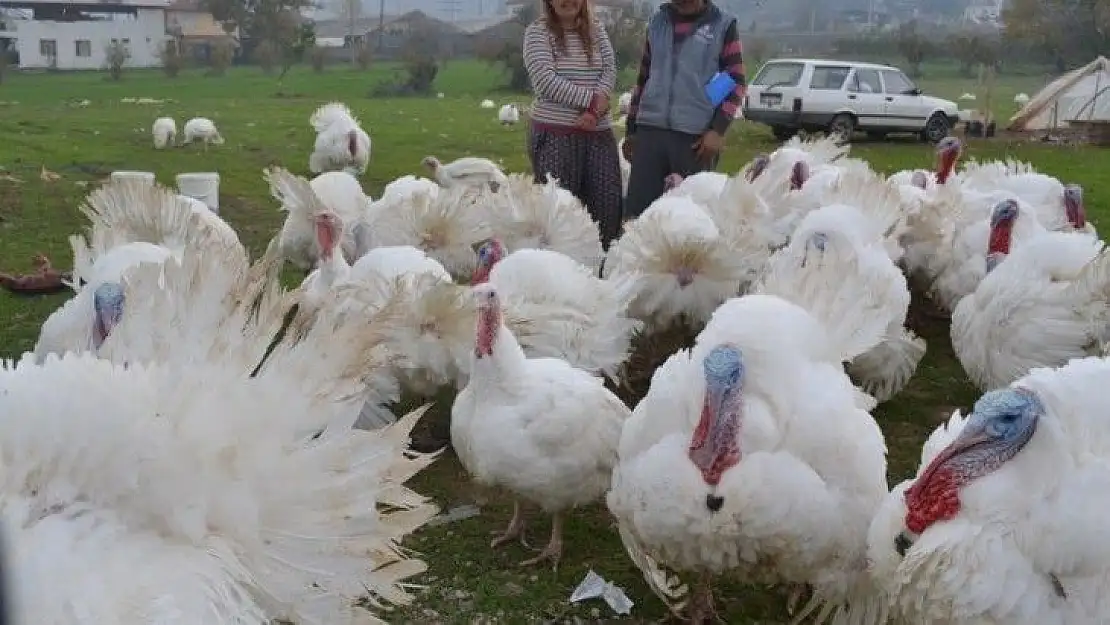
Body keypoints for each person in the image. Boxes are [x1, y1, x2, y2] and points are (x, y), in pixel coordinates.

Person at [622, 0, 746, 220]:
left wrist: (717, 129)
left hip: (694, 140)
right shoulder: (657, 23)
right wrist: (631, 130)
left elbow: (734, 80)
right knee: (639, 218)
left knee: (689, 220)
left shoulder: (722, 25)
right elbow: (644, 79)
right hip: (650, 134)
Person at [523, 0, 622, 250]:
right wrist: (592, 102)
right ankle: (561, 279)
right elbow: (545, 80)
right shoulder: (538, 32)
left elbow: (609, 69)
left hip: (598, 136)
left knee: (606, 210)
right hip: (556, 136)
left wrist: (595, 111)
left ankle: (602, 275)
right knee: (559, 216)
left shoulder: (596, 30)